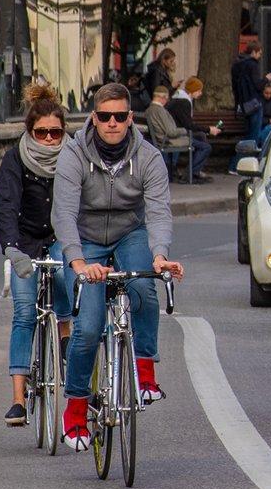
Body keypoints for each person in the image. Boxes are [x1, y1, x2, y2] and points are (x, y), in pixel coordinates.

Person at [52, 82, 183, 450]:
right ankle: (76, 408)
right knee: (88, 326)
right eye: (105, 116)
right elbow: (63, 214)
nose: (112, 123)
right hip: (86, 238)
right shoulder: (73, 154)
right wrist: (79, 263)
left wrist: (160, 255)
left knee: (143, 285)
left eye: (120, 116)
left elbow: (159, 211)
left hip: (130, 232)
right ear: (94, 118)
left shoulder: (149, 157)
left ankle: (145, 370)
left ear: (130, 118)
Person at [0, 86, 74, 427]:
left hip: (60, 235)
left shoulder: (73, 157)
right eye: (42, 132)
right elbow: (5, 205)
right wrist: (12, 248)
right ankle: (18, 399)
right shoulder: (16, 158)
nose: (49, 139)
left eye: (55, 132)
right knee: (25, 312)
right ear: (30, 131)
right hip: (25, 240)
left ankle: (66, 333)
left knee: (66, 273)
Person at [144, 82, 211, 183]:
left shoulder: (149, 110)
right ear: (163, 98)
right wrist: (185, 130)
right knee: (205, 147)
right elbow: (171, 132)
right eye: (167, 98)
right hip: (168, 141)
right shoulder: (160, 111)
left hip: (161, 139)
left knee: (199, 139)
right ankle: (190, 174)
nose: (167, 101)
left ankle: (189, 173)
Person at [231, 41, 264, 144]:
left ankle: (242, 151)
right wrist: (267, 79)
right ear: (253, 52)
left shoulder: (237, 64)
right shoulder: (253, 65)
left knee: (250, 132)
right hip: (253, 102)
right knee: (254, 134)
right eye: (259, 53)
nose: (260, 56)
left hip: (243, 103)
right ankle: (243, 153)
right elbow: (258, 85)